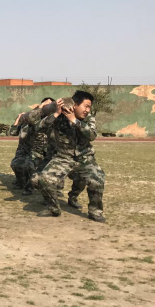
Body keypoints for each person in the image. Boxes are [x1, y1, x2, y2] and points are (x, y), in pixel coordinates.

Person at [35, 91, 106, 222]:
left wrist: (74, 120)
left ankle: (94, 211)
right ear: (75, 105)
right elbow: (39, 127)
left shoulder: (89, 118)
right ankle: (54, 208)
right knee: (44, 179)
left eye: (89, 107)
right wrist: (56, 114)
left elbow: (92, 135)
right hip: (63, 158)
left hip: (85, 159)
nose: (87, 110)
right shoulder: (59, 116)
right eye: (86, 106)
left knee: (97, 179)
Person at [9, 97, 54, 195]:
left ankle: (43, 187)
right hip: (30, 150)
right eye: (45, 104)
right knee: (18, 165)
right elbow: (13, 132)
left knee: (46, 170)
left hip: (47, 151)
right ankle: (23, 184)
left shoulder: (52, 119)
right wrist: (18, 119)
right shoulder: (31, 118)